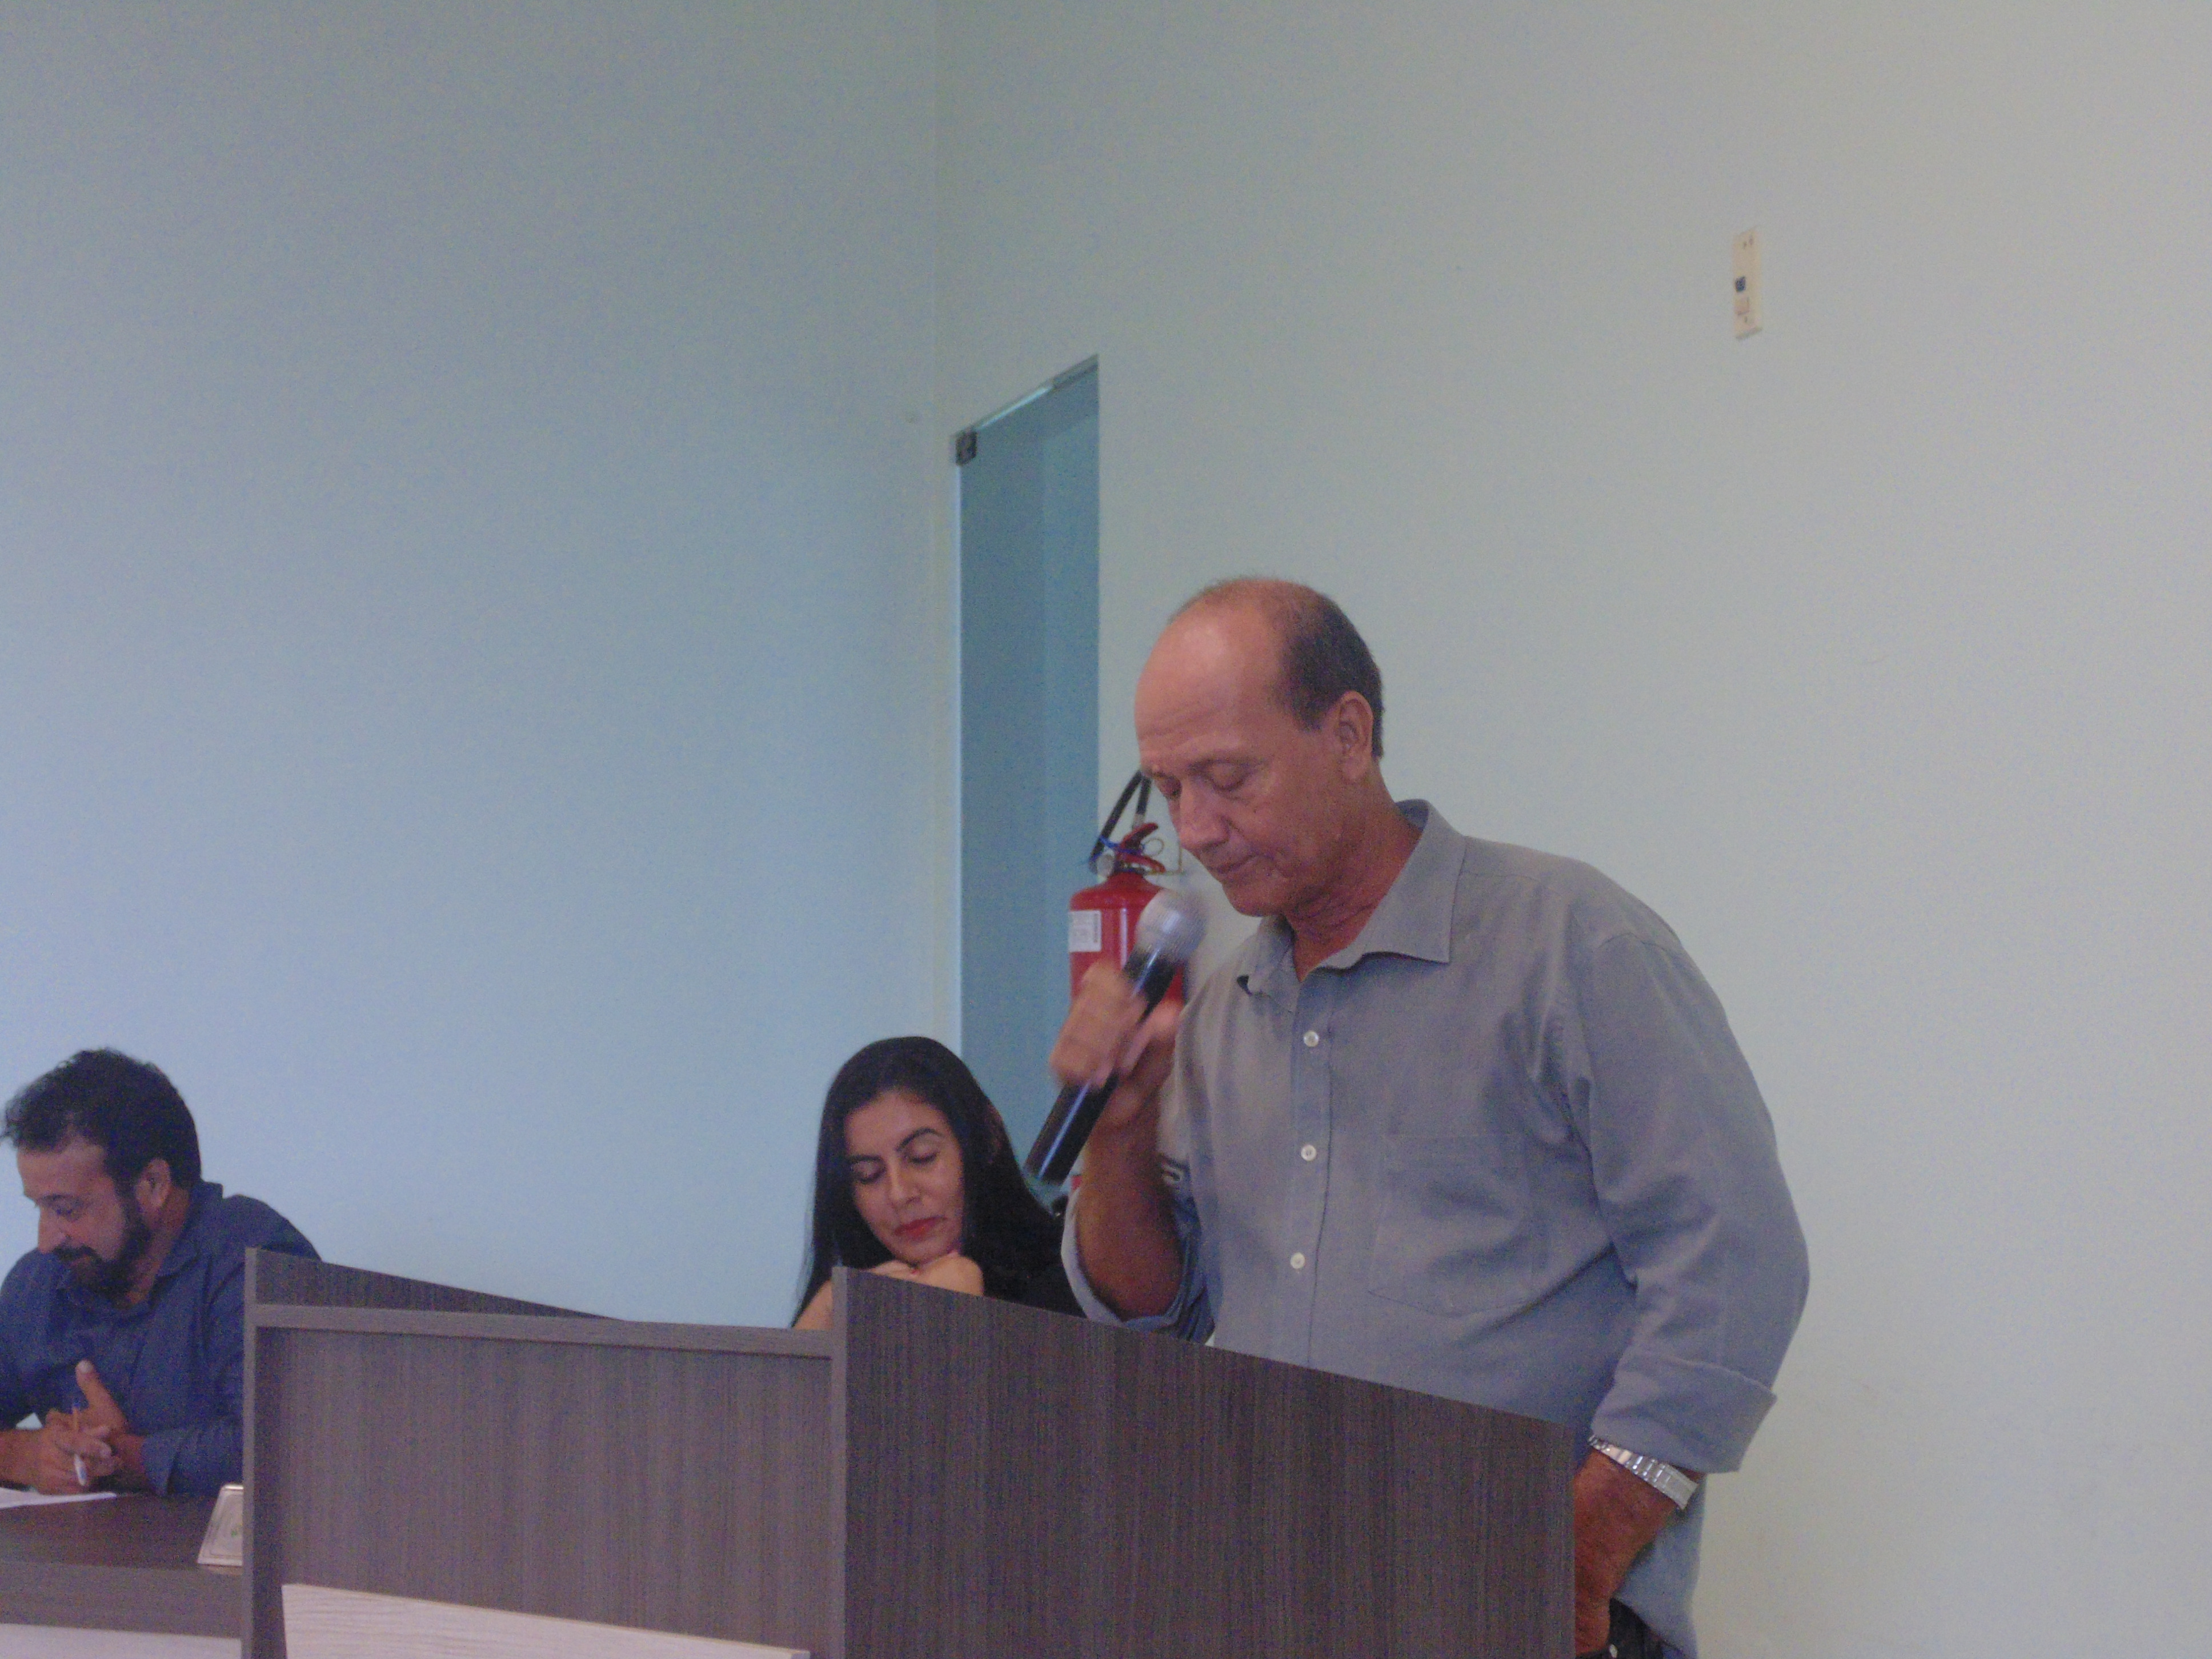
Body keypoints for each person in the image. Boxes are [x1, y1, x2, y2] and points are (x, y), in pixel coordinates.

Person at [1052, 579, 1809, 1659]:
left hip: (1520, 1611)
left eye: (1227, 777)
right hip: (1276, 1606)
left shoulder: (1570, 942)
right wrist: (1118, 1128)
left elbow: (1736, 1258)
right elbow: (1152, 1315)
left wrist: (1584, 1547)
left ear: (1347, 734)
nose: (1196, 830)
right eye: (1169, 789)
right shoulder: (1220, 1014)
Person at [0, 1048, 318, 1497]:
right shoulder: (38, 1283)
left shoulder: (256, 1258)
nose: (46, 1239)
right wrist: (27, 1456)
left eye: (66, 1209)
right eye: (40, 1207)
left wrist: (119, 1459)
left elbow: (288, 1446)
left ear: (153, 1184)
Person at [794, 1035, 1081, 1329]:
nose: (899, 1194)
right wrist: (814, 1334)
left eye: (922, 1157)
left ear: (987, 1137)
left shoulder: (1076, 1280)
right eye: (869, 1175)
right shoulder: (842, 1306)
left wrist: (955, 1315)